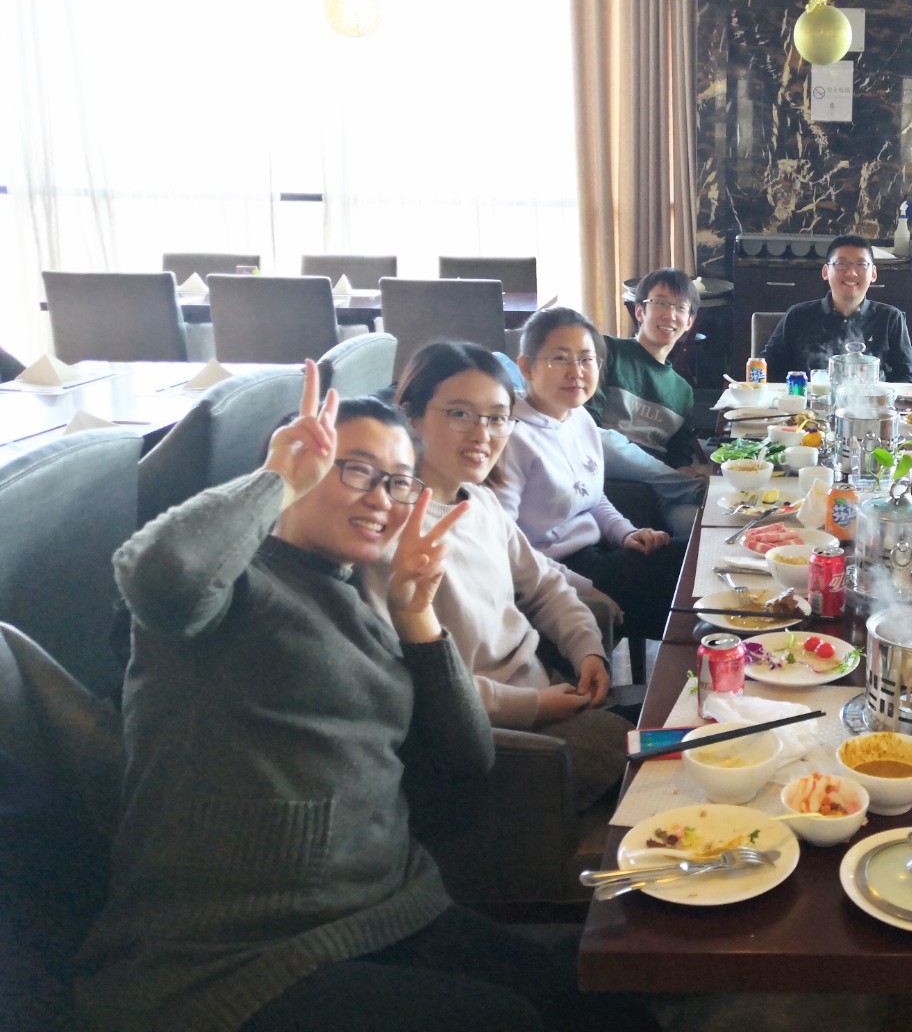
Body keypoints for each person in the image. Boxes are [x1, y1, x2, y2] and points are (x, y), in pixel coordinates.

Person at [78, 364, 651, 1032]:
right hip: (232, 955)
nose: (383, 497)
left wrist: (418, 620)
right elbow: (159, 573)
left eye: (399, 480)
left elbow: (465, 756)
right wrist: (274, 478)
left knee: (600, 1001)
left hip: (389, 908)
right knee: (506, 1020)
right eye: (354, 470)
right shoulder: (228, 592)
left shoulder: (359, 600)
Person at [374, 340, 628, 809]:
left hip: (549, 693)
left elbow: (544, 585)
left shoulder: (479, 499)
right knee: (661, 755)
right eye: (460, 414)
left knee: (682, 723)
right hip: (502, 742)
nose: (482, 434)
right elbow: (411, 685)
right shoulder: (388, 532)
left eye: (496, 418)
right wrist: (533, 706)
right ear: (411, 416)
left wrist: (588, 649)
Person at [497, 308, 688, 655]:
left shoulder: (579, 417)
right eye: (560, 358)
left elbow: (593, 495)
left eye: (586, 360)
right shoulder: (510, 437)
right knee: (689, 575)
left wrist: (627, 533)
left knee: (694, 558)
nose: (577, 372)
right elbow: (507, 548)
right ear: (526, 367)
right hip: (552, 573)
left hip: (598, 552)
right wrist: (583, 588)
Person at [588, 267, 709, 538]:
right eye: (661, 303)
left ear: (689, 322)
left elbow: (679, 456)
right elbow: (587, 421)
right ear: (640, 311)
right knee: (601, 438)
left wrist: (684, 472)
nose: (670, 315)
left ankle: (694, 494)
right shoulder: (610, 351)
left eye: (680, 307)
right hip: (604, 460)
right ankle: (696, 489)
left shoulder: (683, 391)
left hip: (659, 484)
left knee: (700, 529)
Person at [759, 234, 912, 384]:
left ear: (873, 274)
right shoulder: (797, 316)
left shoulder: (890, 318)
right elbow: (764, 371)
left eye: (861, 264)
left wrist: (879, 393)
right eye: (841, 264)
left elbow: (911, 378)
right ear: (825, 272)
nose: (851, 273)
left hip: (870, 405)